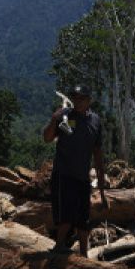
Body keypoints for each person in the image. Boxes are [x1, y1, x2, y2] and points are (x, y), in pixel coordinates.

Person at [42, 85, 107, 255]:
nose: (78, 102)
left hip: (82, 178)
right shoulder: (64, 116)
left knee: (83, 220)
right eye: (75, 98)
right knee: (65, 217)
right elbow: (47, 138)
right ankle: (58, 249)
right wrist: (54, 119)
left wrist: (102, 189)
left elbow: (98, 154)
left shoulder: (95, 121)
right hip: (63, 175)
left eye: (82, 98)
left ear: (89, 100)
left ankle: (84, 255)